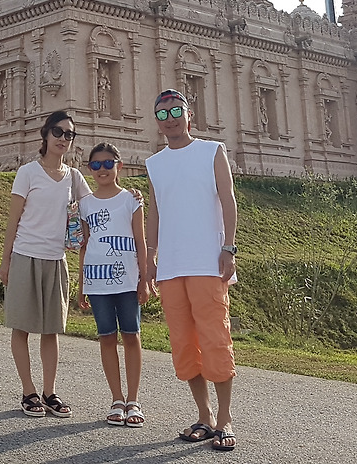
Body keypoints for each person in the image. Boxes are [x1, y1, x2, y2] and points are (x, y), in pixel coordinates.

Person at [145, 89, 239, 451]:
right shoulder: (155, 163)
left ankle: (225, 418)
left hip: (206, 261)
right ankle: (204, 415)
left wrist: (229, 247)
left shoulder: (212, 151)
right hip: (171, 266)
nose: (169, 119)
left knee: (215, 339)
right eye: (162, 114)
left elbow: (228, 200)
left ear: (189, 115)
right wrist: (151, 257)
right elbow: (155, 212)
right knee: (184, 344)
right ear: (157, 122)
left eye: (176, 111)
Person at [0, 110, 90, 418]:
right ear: (46, 134)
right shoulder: (28, 173)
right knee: (22, 326)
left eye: (69, 134)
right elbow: (13, 220)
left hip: (55, 258)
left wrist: (129, 196)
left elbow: (95, 206)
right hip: (25, 255)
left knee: (51, 330)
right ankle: (29, 391)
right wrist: (5, 261)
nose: (63, 139)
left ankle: (50, 392)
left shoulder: (74, 177)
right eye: (58, 132)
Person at [76, 142, 150, 427]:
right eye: (96, 165)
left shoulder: (131, 199)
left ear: (119, 166)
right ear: (90, 169)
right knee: (106, 337)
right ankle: (117, 399)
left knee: (131, 335)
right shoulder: (85, 204)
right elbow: (84, 246)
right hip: (97, 280)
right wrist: (81, 285)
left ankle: (134, 400)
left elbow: (140, 241)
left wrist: (145, 279)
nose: (102, 169)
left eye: (108, 163)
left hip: (128, 279)